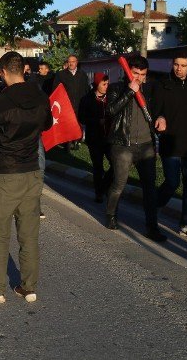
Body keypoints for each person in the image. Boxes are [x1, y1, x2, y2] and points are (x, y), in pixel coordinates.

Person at [0, 51, 52, 304]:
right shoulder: (40, 96)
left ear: (4, 71)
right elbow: (48, 124)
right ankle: (29, 287)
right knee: (29, 234)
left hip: (5, 172)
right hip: (31, 171)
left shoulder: (1, 101)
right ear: (24, 70)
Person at [105, 56, 168, 241]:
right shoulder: (116, 87)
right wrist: (129, 92)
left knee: (149, 188)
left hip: (146, 145)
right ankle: (111, 215)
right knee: (119, 184)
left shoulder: (149, 89)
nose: (139, 78)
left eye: (142, 74)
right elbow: (111, 111)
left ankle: (152, 227)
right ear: (128, 71)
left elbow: (159, 109)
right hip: (122, 145)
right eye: (135, 73)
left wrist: (162, 117)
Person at [154, 56, 187, 240]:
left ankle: (186, 223)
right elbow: (155, 110)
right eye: (176, 64)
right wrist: (159, 118)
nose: (179, 69)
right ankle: (154, 208)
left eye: (183, 66)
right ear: (172, 64)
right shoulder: (163, 85)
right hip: (170, 143)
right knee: (172, 182)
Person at [78, 72, 112, 203]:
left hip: (110, 138)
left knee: (115, 164)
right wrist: (97, 121)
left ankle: (105, 186)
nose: (106, 86)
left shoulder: (111, 97)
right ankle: (99, 193)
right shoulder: (86, 99)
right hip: (94, 138)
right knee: (98, 167)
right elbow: (82, 118)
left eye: (108, 84)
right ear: (97, 84)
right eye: (104, 84)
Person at [53, 55, 89, 149]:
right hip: (66, 104)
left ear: (76, 62)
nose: (71, 63)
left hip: (79, 103)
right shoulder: (61, 75)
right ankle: (67, 143)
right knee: (67, 124)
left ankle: (76, 141)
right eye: (69, 61)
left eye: (73, 61)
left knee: (78, 123)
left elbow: (86, 89)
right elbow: (55, 89)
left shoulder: (82, 75)